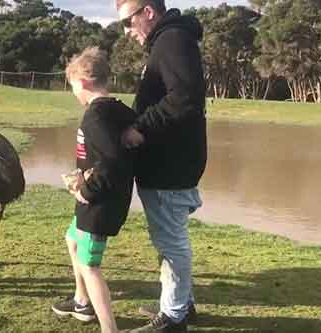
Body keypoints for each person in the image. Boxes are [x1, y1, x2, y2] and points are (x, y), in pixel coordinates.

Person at [115, 0, 207, 332]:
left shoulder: (171, 41)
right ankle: (181, 303)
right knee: (169, 238)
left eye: (127, 22)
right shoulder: (170, 40)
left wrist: (140, 127)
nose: (126, 32)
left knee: (171, 241)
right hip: (168, 160)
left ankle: (173, 317)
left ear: (148, 12)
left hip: (171, 163)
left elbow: (184, 98)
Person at [51, 46, 136, 333]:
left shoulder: (96, 117)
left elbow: (112, 165)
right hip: (93, 197)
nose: (73, 91)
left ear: (83, 82)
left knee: (90, 266)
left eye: (72, 85)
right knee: (71, 239)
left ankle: (109, 328)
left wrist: (85, 191)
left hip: (99, 203)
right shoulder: (116, 109)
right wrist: (83, 177)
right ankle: (81, 301)